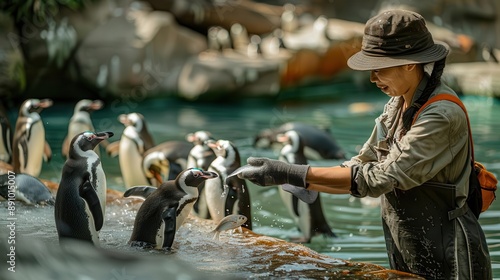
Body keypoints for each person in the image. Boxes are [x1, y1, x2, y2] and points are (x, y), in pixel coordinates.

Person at [238, 9, 492, 279]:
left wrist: (290, 173)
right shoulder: (397, 103)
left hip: (452, 256)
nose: (372, 78)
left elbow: (382, 177)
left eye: (379, 68)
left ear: (409, 63)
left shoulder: (441, 114)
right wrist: (299, 181)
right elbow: (361, 164)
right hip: (410, 247)